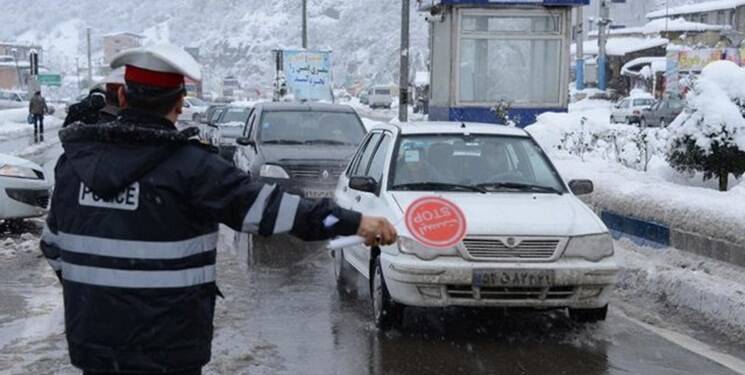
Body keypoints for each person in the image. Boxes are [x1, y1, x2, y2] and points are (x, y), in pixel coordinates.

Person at [40, 44, 397, 375]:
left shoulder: (74, 166)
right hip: (169, 351)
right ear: (179, 103)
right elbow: (278, 212)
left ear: (121, 95)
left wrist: (101, 298)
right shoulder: (194, 169)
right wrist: (354, 221)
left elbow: (53, 247)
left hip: (96, 349)